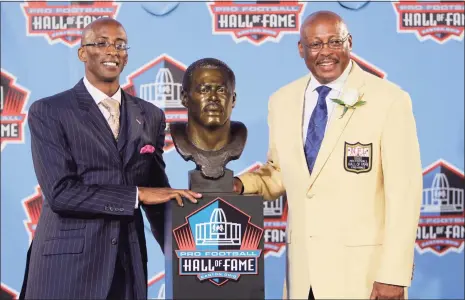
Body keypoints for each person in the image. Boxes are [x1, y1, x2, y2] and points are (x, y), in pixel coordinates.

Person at [234, 11, 422, 300]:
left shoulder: (389, 100)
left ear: (349, 42)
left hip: (364, 278)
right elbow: (280, 173)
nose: (326, 52)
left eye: (335, 42)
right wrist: (240, 185)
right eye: (315, 44)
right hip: (302, 277)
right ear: (301, 49)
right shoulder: (282, 100)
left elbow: (405, 194)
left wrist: (393, 275)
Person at [20, 17, 201, 300]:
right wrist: (136, 195)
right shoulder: (50, 111)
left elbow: (157, 195)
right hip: (67, 266)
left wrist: (189, 256)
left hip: (128, 264)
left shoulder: (151, 116)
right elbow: (61, 193)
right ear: (83, 53)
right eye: (101, 43)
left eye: (120, 45)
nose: (112, 51)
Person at [170, 57, 247, 180]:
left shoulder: (239, 136)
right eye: (204, 90)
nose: (213, 98)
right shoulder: (179, 136)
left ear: (233, 100)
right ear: (185, 98)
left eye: (221, 90)